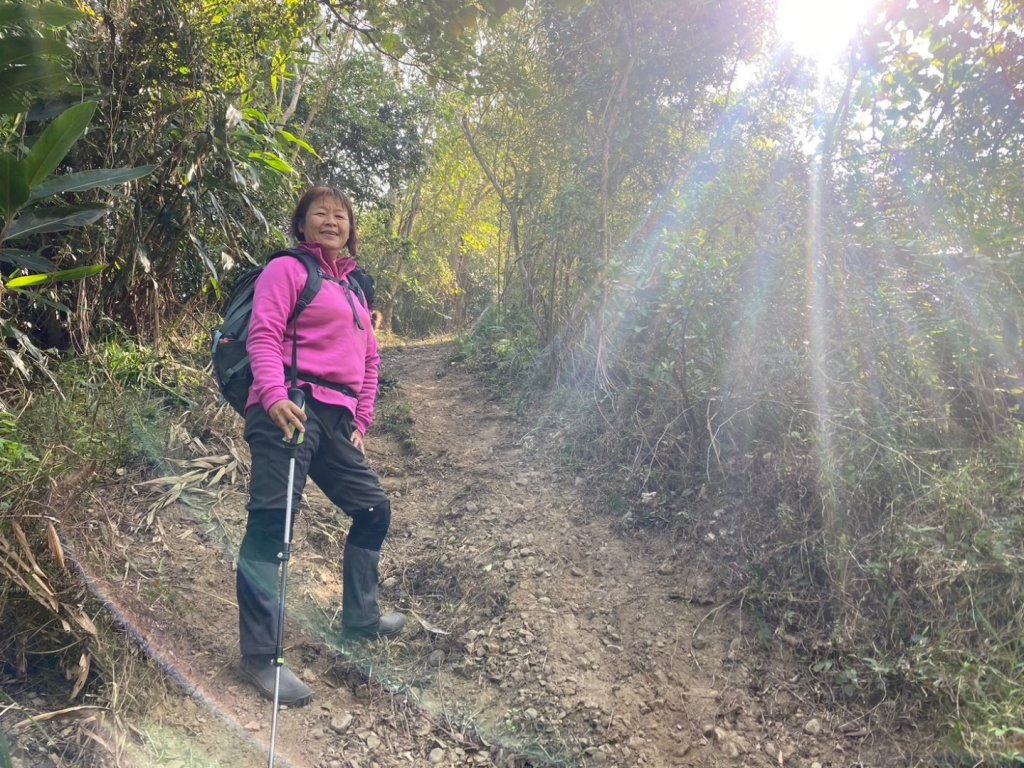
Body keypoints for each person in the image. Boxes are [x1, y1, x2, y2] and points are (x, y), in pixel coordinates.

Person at [235, 185, 405, 707]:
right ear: (302, 224)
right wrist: (271, 394)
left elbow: (370, 360)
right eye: (319, 214)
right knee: (272, 526)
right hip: (291, 408)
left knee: (374, 510)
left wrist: (362, 418)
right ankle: (261, 659)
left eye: (340, 215)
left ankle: (361, 616)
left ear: (351, 228)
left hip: (336, 419)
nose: (331, 221)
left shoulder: (355, 289)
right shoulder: (287, 271)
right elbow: (262, 335)